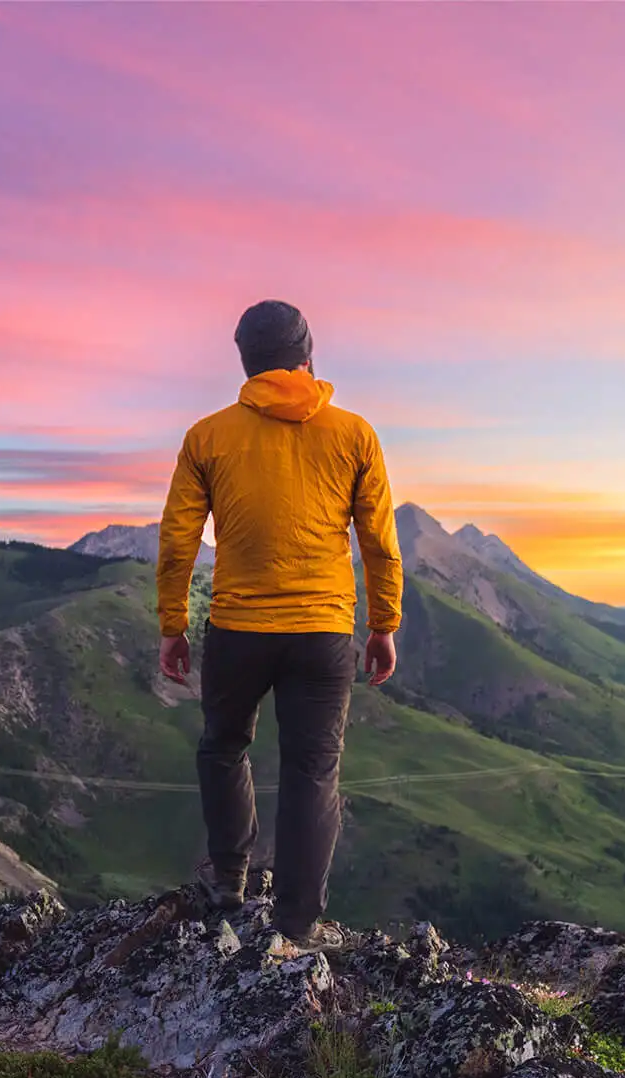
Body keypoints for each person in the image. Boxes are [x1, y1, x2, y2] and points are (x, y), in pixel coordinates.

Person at [157, 299, 403, 948]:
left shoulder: (207, 437)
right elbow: (379, 541)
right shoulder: (355, 435)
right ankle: (294, 926)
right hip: (323, 634)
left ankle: (229, 882)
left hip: (238, 628)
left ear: (246, 363)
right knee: (313, 771)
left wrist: (173, 623)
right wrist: (383, 624)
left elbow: (179, 538)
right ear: (308, 355)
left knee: (223, 744)